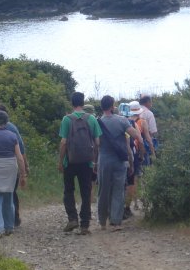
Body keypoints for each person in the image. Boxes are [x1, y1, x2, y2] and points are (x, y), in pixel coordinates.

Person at [96, 95, 144, 231]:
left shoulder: (97, 122)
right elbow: (136, 136)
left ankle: (102, 221)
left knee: (103, 190)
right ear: (112, 107)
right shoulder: (122, 121)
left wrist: (95, 162)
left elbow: (96, 143)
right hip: (119, 161)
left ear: (101, 106)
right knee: (118, 190)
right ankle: (115, 221)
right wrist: (139, 152)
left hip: (104, 160)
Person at [58, 92, 101, 234]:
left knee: (68, 190)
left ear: (72, 103)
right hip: (87, 162)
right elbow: (97, 142)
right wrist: (95, 160)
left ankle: (72, 219)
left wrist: (60, 161)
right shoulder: (92, 119)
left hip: (69, 161)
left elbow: (63, 142)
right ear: (83, 103)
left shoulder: (66, 119)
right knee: (86, 192)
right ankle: (84, 225)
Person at [123, 100, 156, 218]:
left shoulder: (124, 121)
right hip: (136, 152)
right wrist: (152, 152)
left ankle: (132, 202)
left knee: (127, 181)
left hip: (124, 153)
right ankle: (135, 202)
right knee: (136, 178)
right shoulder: (142, 122)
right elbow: (147, 138)